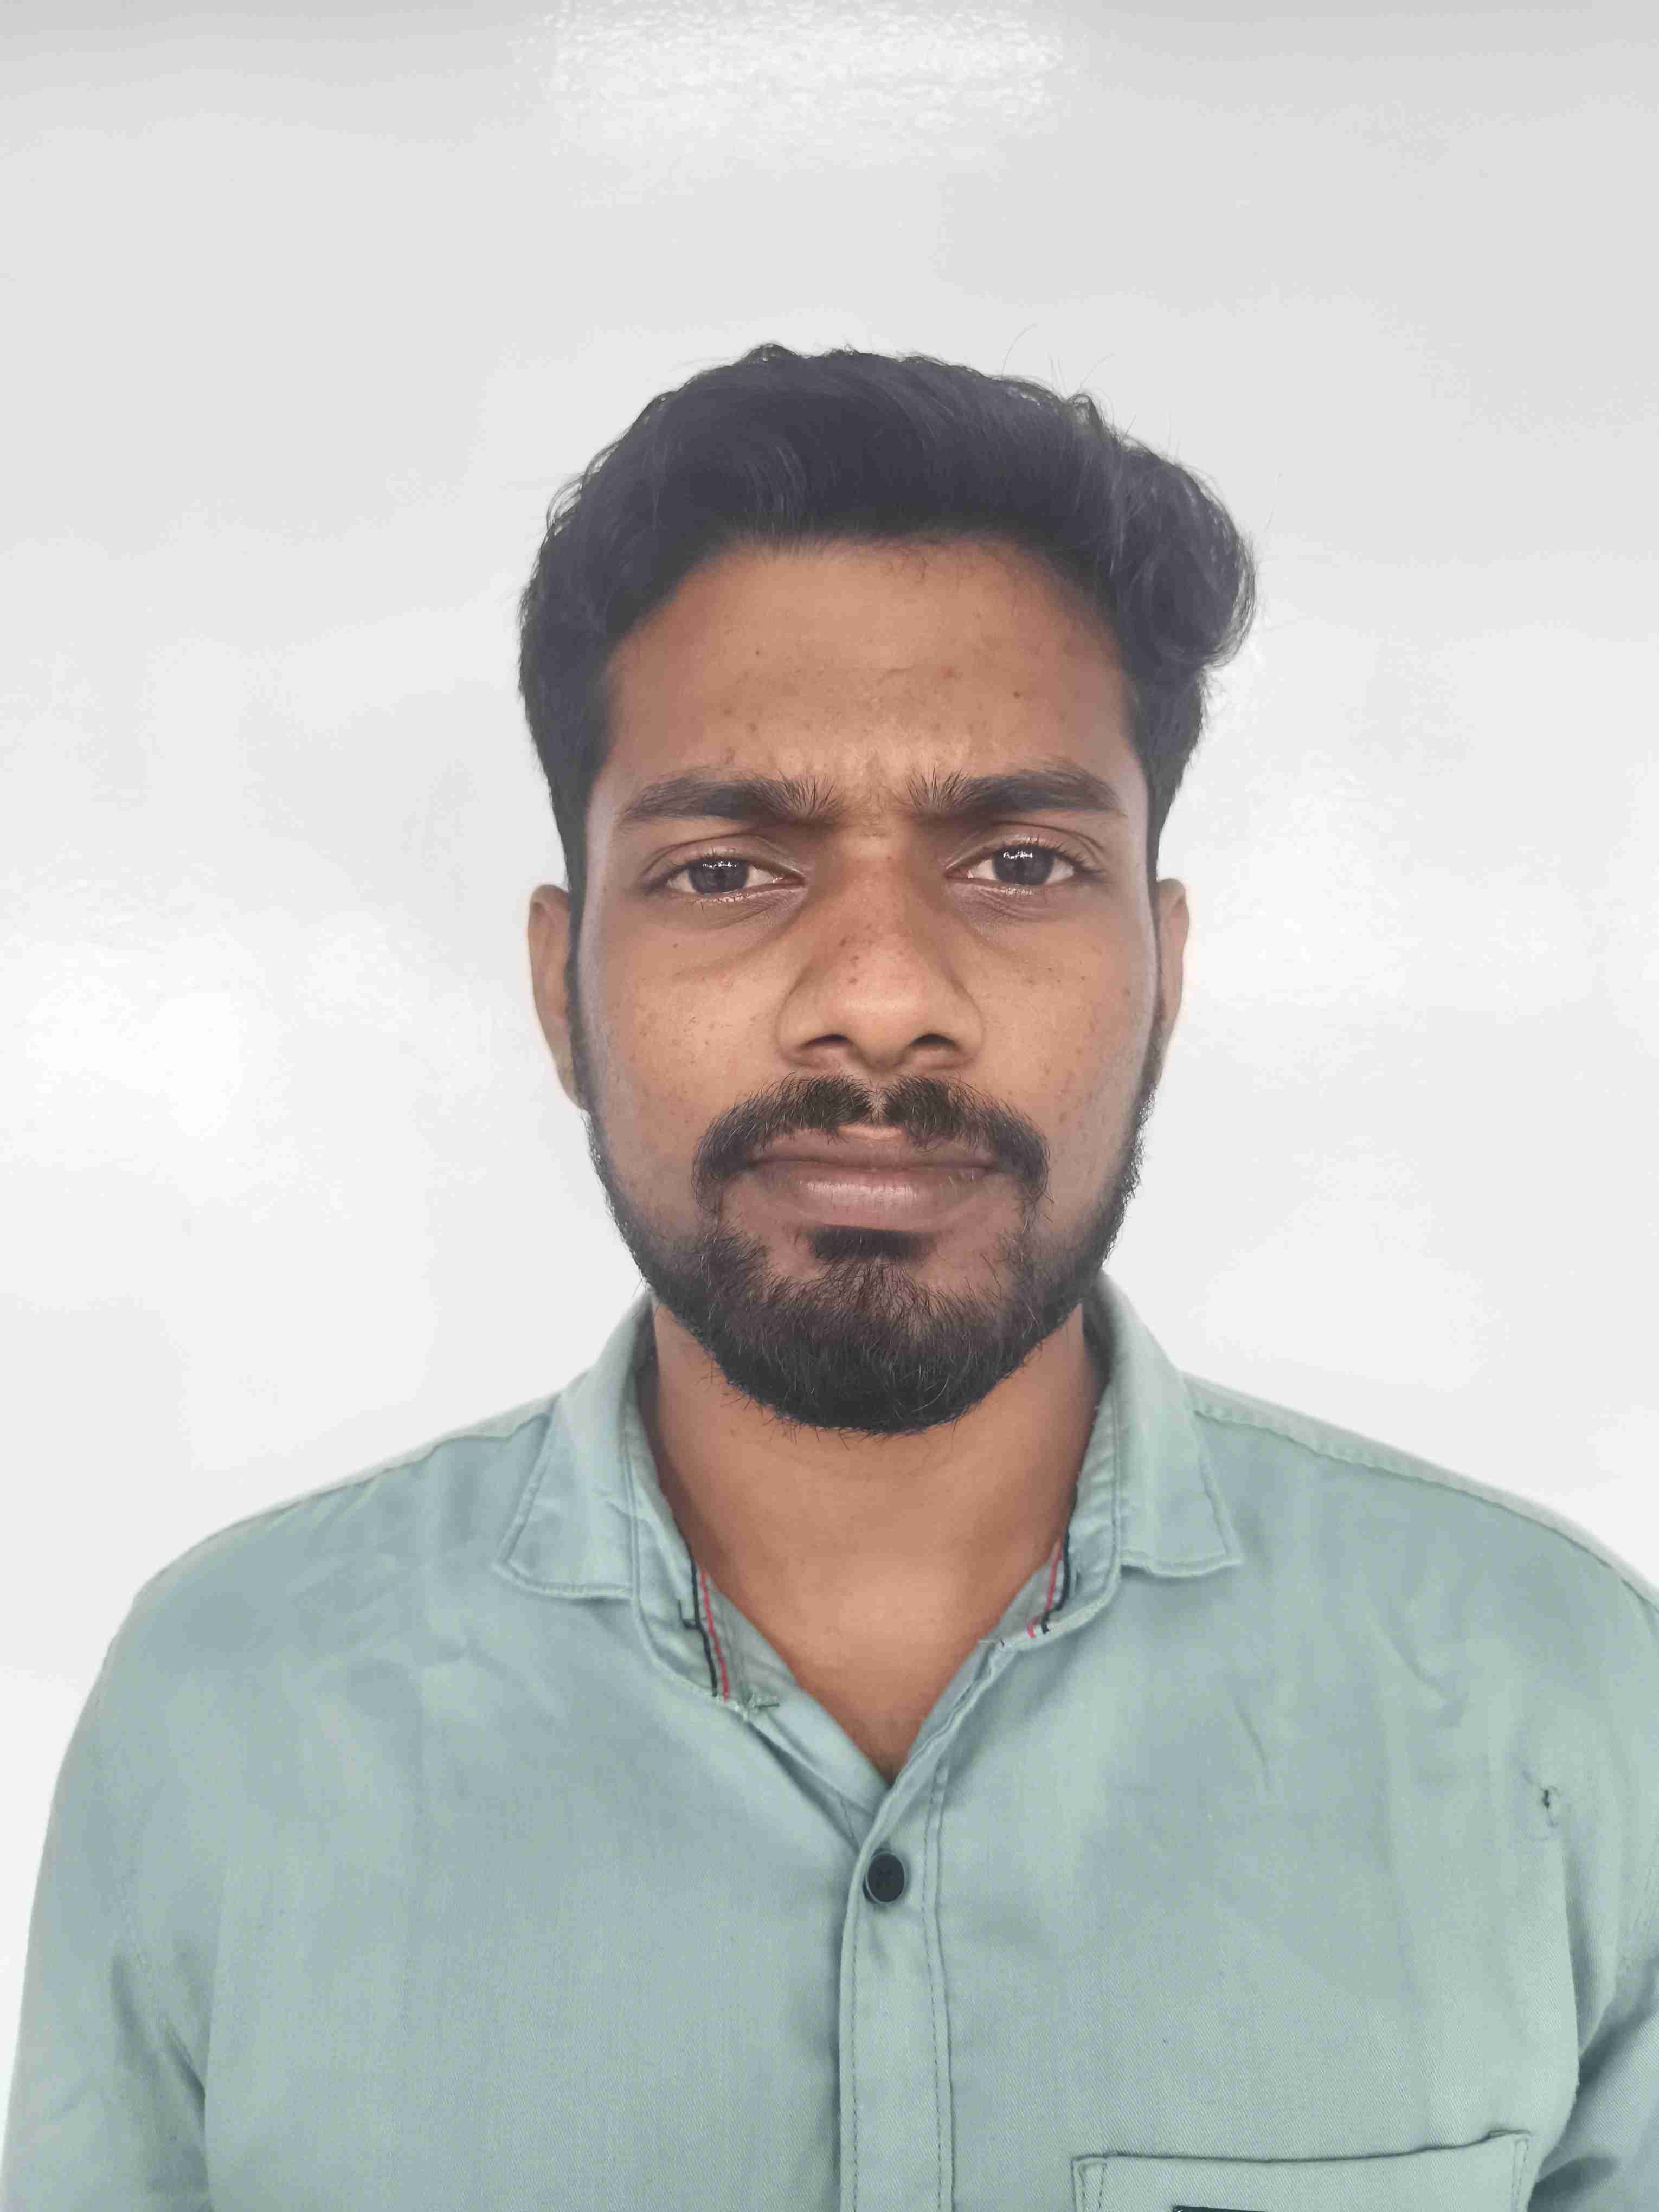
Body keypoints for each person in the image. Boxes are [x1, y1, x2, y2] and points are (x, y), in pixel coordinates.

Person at [4, 344, 1655, 2209]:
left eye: (1017, 860)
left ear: (1163, 977)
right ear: (560, 989)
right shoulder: (231, 1710)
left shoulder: (1557, 1702)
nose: (879, 999)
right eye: (727, 872)